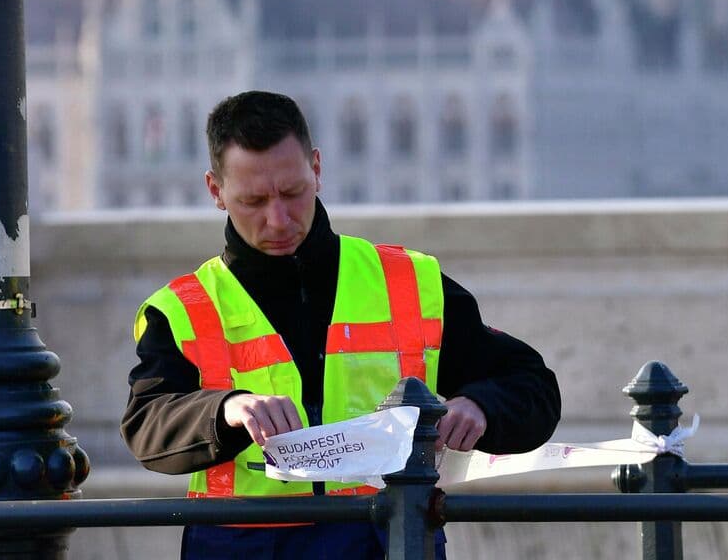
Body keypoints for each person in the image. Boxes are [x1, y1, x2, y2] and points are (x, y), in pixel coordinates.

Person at [123, 90, 562, 560]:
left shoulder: (409, 283)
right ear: (215, 191)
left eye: (293, 193)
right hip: (244, 544)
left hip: (384, 538)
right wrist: (227, 410)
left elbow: (533, 386)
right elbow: (146, 424)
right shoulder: (183, 308)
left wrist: (482, 406)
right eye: (253, 200)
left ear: (317, 168)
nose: (278, 219)